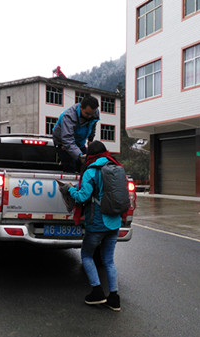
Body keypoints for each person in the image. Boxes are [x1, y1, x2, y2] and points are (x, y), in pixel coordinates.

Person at [67, 141, 123, 311]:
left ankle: (97, 292)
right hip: (114, 223)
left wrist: (69, 190)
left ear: (90, 155)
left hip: (97, 223)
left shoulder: (91, 171)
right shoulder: (117, 168)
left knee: (86, 255)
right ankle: (114, 298)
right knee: (108, 260)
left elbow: (82, 197)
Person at [52, 96, 100, 173]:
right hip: (63, 143)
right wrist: (80, 156)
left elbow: (92, 125)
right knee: (71, 166)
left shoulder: (95, 113)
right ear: (81, 107)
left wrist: (90, 140)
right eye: (87, 114)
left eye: (92, 113)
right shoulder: (69, 116)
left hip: (79, 142)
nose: (90, 116)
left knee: (85, 168)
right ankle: (69, 184)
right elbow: (67, 140)